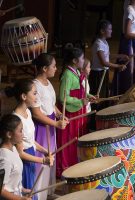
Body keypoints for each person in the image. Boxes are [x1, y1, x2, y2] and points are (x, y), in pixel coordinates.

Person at [31, 53, 68, 199]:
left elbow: (51, 105)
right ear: (45, 68)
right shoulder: (35, 85)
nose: (56, 68)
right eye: (53, 66)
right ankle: (38, 194)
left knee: (51, 155)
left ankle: (47, 191)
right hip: (41, 127)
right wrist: (56, 123)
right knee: (43, 158)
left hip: (51, 124)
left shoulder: (48, 82)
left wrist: (59, 114)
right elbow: (37, 114)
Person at [12, 79, 54, 199]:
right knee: (28, 190)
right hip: (24, 160)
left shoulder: (28, 112)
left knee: (33, 190)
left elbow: (30, 141)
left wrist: (45, 151)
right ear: (24, 96)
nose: (37, 96)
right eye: (34, 93)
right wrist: (42, 161)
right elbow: (20, 153)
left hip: (31, 154)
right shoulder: (17, 120)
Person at [56, 47, 90, 177]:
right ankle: (65, 167)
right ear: (75, 60)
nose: (83, 60)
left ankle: (75, 163)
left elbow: (81, 92)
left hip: (77, 110)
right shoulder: (67, 75)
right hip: (70, 112)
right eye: (82, 58)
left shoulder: (75, 71)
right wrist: (80, 102)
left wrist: (89, 96)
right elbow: (63, 97)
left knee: (76, 138)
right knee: (69, 140)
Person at [0, 114, 31, 200]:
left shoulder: (13, 148)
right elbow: (1, 190)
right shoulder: (5, 159)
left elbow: (12, 180)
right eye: (20, 131)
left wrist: (23, 190)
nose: (23, 134)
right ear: (9, 134)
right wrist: (20, 199)